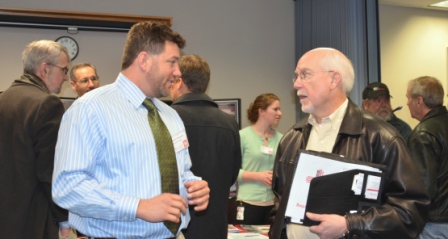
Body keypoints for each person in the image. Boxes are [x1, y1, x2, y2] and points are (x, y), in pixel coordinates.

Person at [52, 21, 210, 239]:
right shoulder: (90, 109)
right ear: (144, 60)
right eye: (172, 62)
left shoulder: (170, 115)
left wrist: (193, 185)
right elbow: (68, 187)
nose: (177, 72)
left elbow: (181, 171)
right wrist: (138, 207)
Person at [269, 47, 430, 239]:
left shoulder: (380, 137)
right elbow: (280, 202)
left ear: (334, 79)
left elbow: (411, 211)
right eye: (296, 76)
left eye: (305, 75)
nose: (296, 84)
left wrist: (350, 224)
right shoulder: (291, 138)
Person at [0, 40, 71, 239]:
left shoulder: (4, 98)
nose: (65, 77)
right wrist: (63, 218)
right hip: (32, 219)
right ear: (44, 69)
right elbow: (49, 171)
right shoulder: (47, 104)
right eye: (64, 70)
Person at [170, 54, 242, 239]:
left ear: (179, 81)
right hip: (216, 225)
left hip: (176, 225)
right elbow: (232, 174)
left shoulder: (166, 119)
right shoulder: (229, 122)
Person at [405, 76, 448, 239]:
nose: (407, 102)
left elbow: (423, 189)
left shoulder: (423, 135)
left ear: (419, 101)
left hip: (435, 224)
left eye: (408, 97)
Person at [236, 93, 283, 225]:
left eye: (279, 109)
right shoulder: (242, 136)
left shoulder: (282, 139)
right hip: (248, 203)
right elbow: (231, 172)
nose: (280, 113)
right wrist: (258, 176)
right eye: (275, 109)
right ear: (261, 111)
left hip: (274, 205)